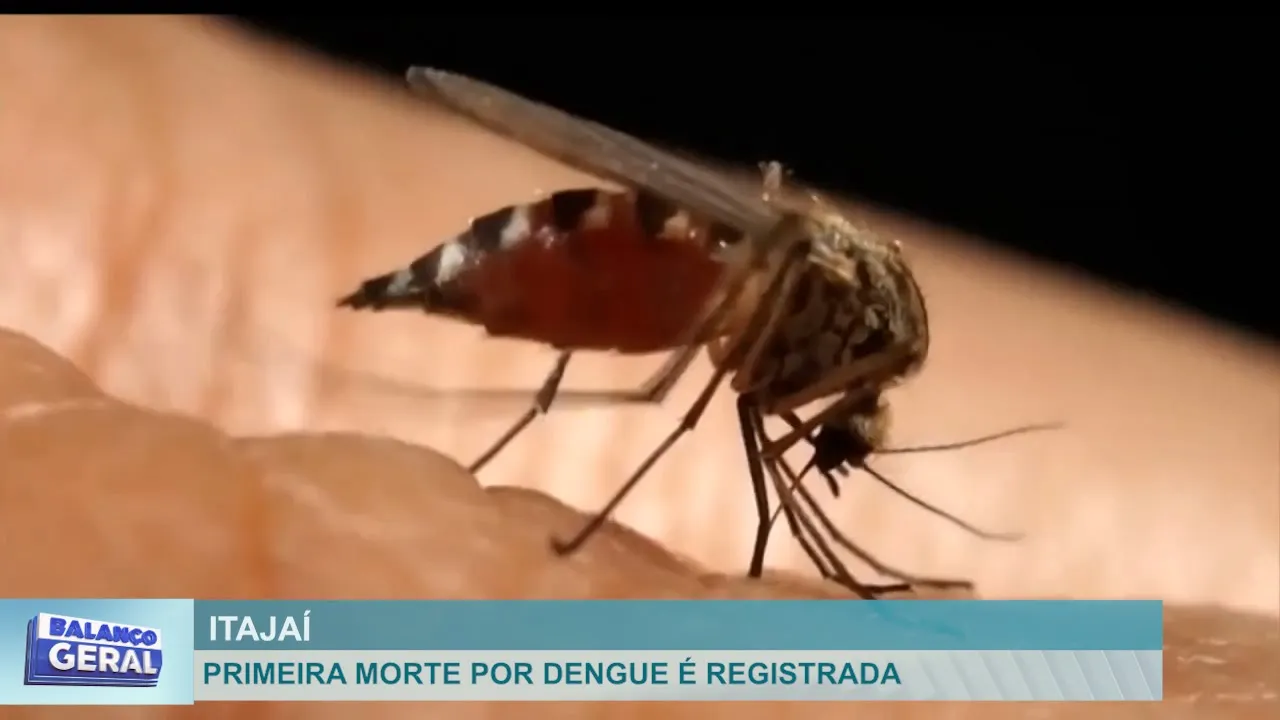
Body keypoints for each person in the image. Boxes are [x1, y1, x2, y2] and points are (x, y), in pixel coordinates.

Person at [1, 15, 1275, 717]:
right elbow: (772, 279)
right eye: (844, 427)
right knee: (692, 376)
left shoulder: (829, 356)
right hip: (620, 258)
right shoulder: (857, 330)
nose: (817, 441)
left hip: (657, 276)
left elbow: (764, 385)